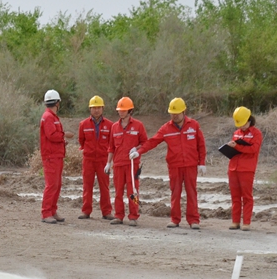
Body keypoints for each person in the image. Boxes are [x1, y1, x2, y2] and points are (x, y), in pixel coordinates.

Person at [131, 98, 206, 229]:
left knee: (192, 193)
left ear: (184, 111)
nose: (174, 116)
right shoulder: (166, 128)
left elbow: (201, 145)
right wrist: (140, 151)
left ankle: (194, 220)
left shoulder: (194, 125)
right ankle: (175, 219)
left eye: (177, 113)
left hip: (190, 165)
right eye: (172, 113)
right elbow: (153, 141)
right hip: (174, 166)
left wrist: (202, 163)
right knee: (175, 193)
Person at [107, 97, 148, 226]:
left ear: (130, 111)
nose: (121, 112)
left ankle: (133, 216)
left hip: (132, 165)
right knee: (118, 191)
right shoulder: (114, 127)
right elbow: (111, 147)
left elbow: (145, 143)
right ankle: (118, 216)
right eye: (120, 110)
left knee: (133, 191)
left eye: (124, 110)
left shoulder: (138, 125)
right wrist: (108, 163)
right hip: (118, 164)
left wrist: (137, 150)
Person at [40, 89, 74, 223]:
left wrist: (62, 140)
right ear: (58, 103)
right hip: (51, 156)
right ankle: (46, 212)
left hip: (56, 154)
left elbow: (52, 136)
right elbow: (52, 135)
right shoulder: (49, 117)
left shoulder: (51, 117)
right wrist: (64, 135)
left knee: (56, 184)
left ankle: (52, 211)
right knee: (52, 185)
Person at [77, 96, 114, 220]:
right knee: (87, 186)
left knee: (105, 186)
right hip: (88, 159)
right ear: (90, 109)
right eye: (94, 108)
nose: (96, 110)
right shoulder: (83, 124)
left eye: (98, 108)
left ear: (103, 108)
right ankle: (86, 211)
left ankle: (106, 212)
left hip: (103, 160)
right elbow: (81, 141)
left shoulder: (110, 125)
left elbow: (112, 143)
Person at [226, 106, 262, 231]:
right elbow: (235, 149)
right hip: (233, 168)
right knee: (235, 197)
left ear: (249, 119)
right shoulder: (236, 133)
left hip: (247, 169)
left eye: (243, 123)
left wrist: (237, 147)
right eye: (239, 124)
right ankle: (235, 221)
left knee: (247, 196)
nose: (241, 126)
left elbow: (253, 149)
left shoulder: (256, 133)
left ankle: (246, 222)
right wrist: (230, 147)